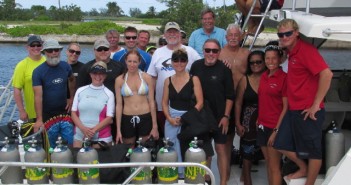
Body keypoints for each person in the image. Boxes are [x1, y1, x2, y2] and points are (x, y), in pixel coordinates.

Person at [274, 19, 333, 185]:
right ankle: (303, 168)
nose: (284, 37)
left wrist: (316, 104)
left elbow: (326, 75)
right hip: (294, 110)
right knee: (280, 143)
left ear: (296, 33)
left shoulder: (306, 50)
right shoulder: (291, 52)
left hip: (308, 111)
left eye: (288, 33)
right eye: (281, 34)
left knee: (313, 152)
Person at [190, 39, 235, 185]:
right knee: (205, 151)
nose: (211, 53)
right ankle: (206, 180)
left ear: (219, 52)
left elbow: (230, 96)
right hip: (202, 117)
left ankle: (223, 182)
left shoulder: (225, 69)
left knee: (221, 149)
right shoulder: (195, 66)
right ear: (203, 51)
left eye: (214, 51)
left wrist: (226, 116)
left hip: (220, 117)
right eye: (208, 50)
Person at [147, 21, 201, 141]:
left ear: (180, 34)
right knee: (166, 140)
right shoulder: (157, 52)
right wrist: (152, 100)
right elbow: (152, 78)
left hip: (186, 108)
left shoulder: (190, 51)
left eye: (175, 32)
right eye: (169, 32)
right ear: (164, 35)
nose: (172, 34)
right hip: (162, 107)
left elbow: (203, 66)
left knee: (187, 142)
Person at [162, 48, 204, 178]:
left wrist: (185, 118)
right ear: (172, 62)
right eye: (176, 60)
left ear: (187, 62)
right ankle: (174, 176)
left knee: (188, 149)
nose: (179, 63)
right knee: (171, 150)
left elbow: (200, 102)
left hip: (189, 120)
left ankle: (189, 177)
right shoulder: (167, 80)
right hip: (171, 120)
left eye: (182, 60)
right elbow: (164, 102)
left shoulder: (194, 79)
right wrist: (169, 119)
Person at [218, 23, 250, 180]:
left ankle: (246, 173)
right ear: (226, 37)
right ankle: (227, 172)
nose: (233, 38)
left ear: (241, 36)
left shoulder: (246, 54)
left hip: (245, 101)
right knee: (228, 139)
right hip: (227, 101)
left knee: (247, 136)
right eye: (230, 35)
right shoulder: (219, 53)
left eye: (236, 35)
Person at [77, 38, 125, 140]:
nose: (103, 51)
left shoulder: (119, 67)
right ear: (94, 51)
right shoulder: (86, 68)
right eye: (99, 49)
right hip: (93, 112)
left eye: (105, 49)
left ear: (110, 50)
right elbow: (79, 91)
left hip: (115, 111)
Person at [32, 39, 75, 147]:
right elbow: (38, 97)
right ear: (44, 52)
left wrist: (71, 98)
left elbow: (72, 80)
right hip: (48, 115)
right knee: (50, 147)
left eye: (56, 50)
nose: (53, 53)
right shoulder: (38, 72)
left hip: (65, 113)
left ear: (60, 51)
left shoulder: (66, 66)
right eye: (50, 51)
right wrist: (39, 119)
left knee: (69, 144)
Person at [257, 44, 287, 185]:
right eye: (267, 58)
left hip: (275, 127)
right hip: (262, 126)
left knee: (275, 166)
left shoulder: (284, 78)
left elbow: (286, 107)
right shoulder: (264, 76)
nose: (270, 61)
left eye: (274, 58)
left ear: (280, 59)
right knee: (269, 163)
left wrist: (276, 131)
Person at [235, 50, 266, 185]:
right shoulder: (244, 79)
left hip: (267, 119)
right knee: (247, 156)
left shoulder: (270, 78)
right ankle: (247, 181)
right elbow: (238, 103)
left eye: (258, 61)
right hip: (248, 122)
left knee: (270, 155)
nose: (255, 65)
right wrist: (237, 123)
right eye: (252, 62)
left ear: (264, 62)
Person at [115, 50, 158, 145]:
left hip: (145, 116)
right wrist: (118, 130)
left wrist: (155, 126)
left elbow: (152, 102)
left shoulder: (147, 78)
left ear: (139, 62)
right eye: (129, 61)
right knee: (128, 149)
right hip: (127, 117)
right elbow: (118, 105)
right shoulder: (119, 80)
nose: (132, 64)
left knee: (145, 149)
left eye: (135, 62)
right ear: (125, 61)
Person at [71, 61, 115, 148]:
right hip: (80, 136)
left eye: (101, 74)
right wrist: (84, 130)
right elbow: (73, 113)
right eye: (95, 73)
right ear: (91, 74)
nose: (98, 76)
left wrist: (92, 131)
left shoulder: (109, 94)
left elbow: (109, 118)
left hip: (101, 138)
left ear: (105, 76)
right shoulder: (80, 90)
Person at [12, 35, 46, 122]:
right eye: (33, 45)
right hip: (32, 113)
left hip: (49, 111)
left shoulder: (48, 62)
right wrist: (22, 110)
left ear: (42, 46)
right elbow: (17, 90)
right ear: (27, 47)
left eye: (38, 45)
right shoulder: (22, 65)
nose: (36, 47)